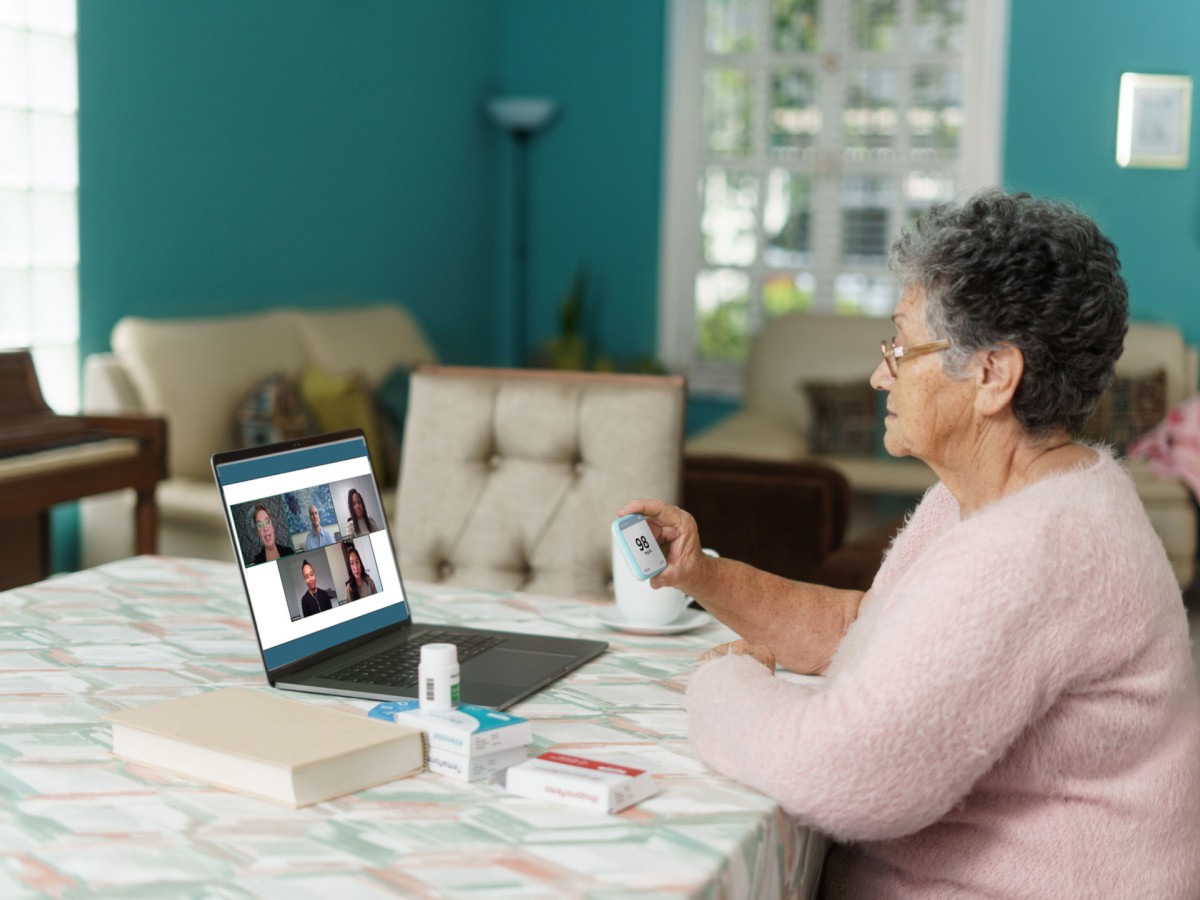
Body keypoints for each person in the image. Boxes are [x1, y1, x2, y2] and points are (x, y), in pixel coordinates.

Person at [621, 191, 1200, 897]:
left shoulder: (1034, 548)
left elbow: (843, 774)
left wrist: (720, 682)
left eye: (899, 347)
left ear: (993, 375)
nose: (878, 374)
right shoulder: (1009, 495)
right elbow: (872, 628)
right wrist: (703, 574)